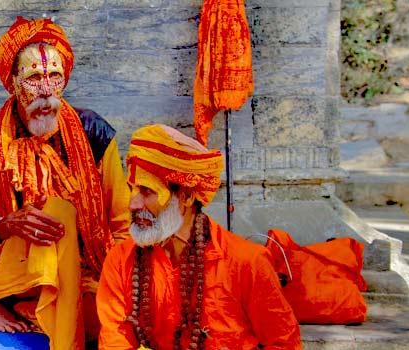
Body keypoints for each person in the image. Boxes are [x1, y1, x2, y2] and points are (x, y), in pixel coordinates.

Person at [0, 17, 130, 350]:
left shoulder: (93, 132)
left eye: (55, 76)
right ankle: (61, 337)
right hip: (14, 267)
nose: (46, 91)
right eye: (34, 78)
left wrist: (119, 280)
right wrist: (6, 226)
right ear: (12, 83)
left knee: (103, 316)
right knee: (57, 212)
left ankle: (19, 310)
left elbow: (121, 222)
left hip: (84, 268)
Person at [97, 124, 302, 350]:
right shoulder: (120, 261)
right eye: (132, 189)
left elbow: (284, 344)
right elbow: (114, 343)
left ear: (185, 196)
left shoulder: (246, 263)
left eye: (146, 191)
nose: (132, 204)